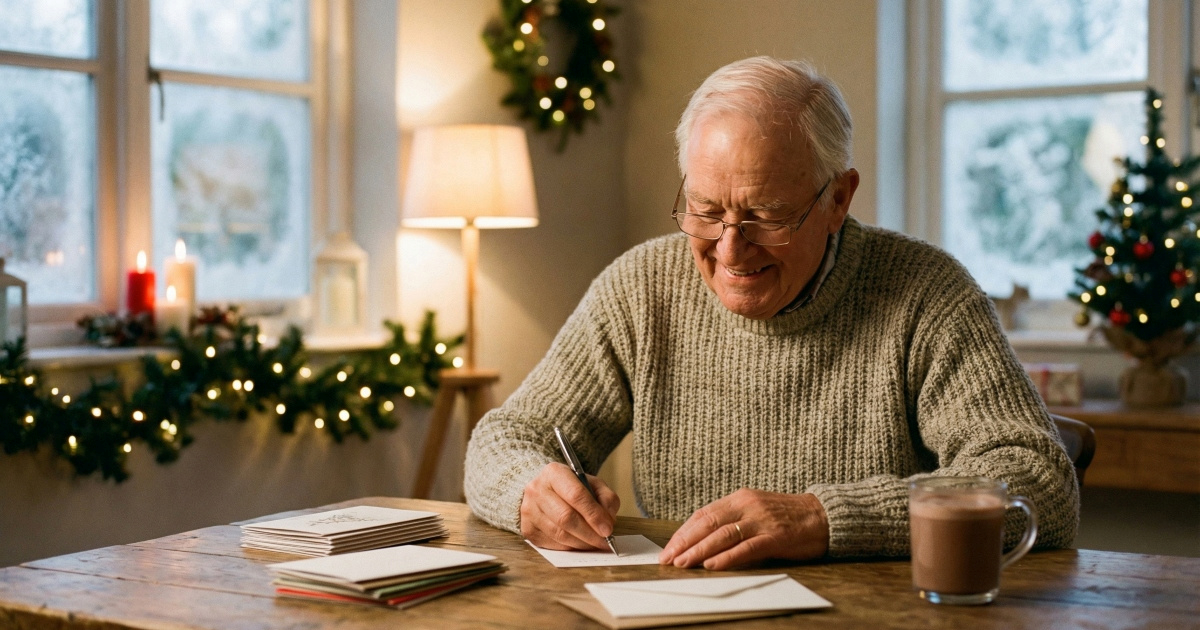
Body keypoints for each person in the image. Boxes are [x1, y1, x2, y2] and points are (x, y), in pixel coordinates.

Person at [464, 56, 1079, 570]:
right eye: (706, 211)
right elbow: (505, 437)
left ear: (838, 198)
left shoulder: (926, 294)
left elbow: (1038, 482)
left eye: (766, 216)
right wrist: (529, 490)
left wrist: (823, 519)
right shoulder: (641, 289)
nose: (730, 250)